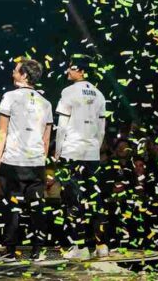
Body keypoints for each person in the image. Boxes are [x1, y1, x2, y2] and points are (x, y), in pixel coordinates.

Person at [0, 58, 53, 262]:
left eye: (16, 70)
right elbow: (47, 139)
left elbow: (2, 130)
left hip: (13, 161)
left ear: (24, 75)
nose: (13, 72)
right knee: (37, 207)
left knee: (12, 207)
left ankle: (10, 251)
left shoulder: (10, 97)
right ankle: (38, 250)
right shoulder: (46, 103)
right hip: (36, 163)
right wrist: (42, 160)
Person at [54, 60, 109, 259]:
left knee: (72, 200)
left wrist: (58, 151)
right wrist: (94, 148)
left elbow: (61, 126)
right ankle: (101, 246)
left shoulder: (68, 92)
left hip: (72, 152)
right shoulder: (100, 94)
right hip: (92, 154)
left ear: (82, 71)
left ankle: (80, 247)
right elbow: (101, 130)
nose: (67, 70)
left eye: (72, 67)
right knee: (95, 199)